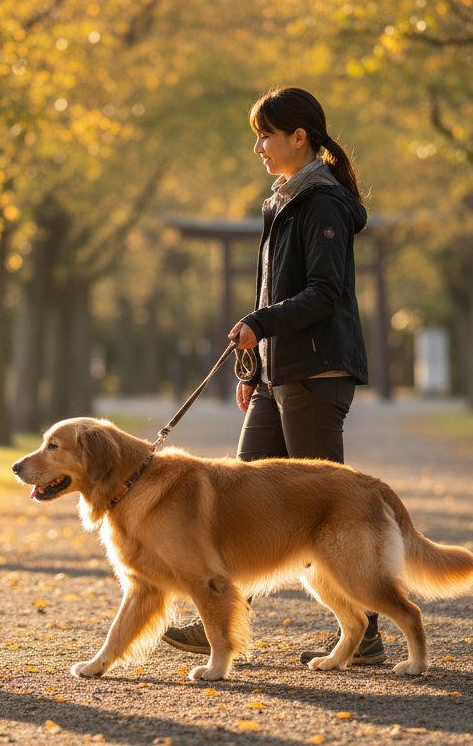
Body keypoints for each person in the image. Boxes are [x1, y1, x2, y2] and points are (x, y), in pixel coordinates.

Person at [161, 86, 382, 665]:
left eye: (265, 135)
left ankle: (371, 633)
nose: (258, 146)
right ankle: (222, 620)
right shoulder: (283, 199)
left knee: (330, 507)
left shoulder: (322, 202)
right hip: (279, 374)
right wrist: (254, 371)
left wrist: (259, 323)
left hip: (317, 372)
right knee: (240, 496)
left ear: (298, 137)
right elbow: (277, 295)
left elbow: (323, 294)